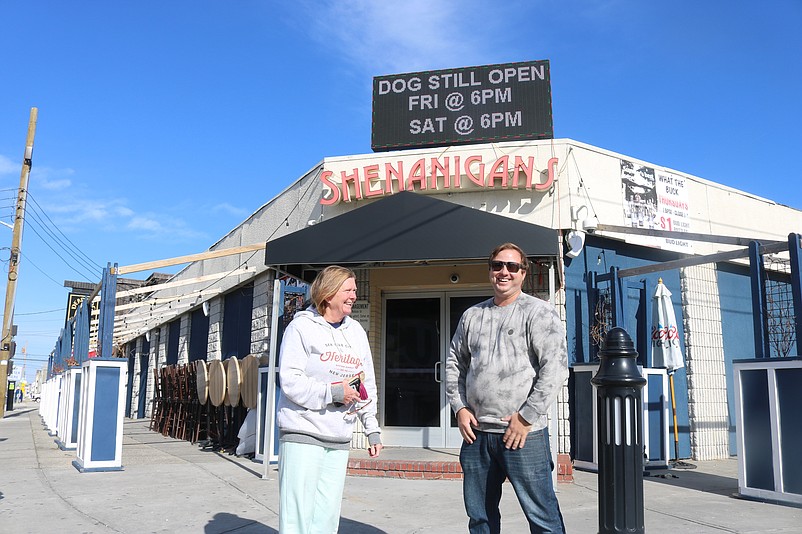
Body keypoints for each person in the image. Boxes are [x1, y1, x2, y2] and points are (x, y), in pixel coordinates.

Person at [446, 242, 569, 534]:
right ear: (490, 271)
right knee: (480, 517)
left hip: (523, 435)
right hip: (477, 435)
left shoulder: (539, 313)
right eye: (497, 265)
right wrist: (460, 408)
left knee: (543, 517)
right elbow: (454, 363)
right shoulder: (472, 316)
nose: (504, 272)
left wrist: (526, 417)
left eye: (512, 266)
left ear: (523, 273)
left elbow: (555, 369)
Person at [276, 265, 382, 534]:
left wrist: (372, 429)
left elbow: (365, 384)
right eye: (348, 290)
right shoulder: (301, 328)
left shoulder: (356, 332)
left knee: (327, 513)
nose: (354, 295)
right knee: (298, 514)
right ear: (328, 293)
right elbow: (290, 381)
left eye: (355, 290)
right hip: (303, 432)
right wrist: (334, 393)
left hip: (338, 435)